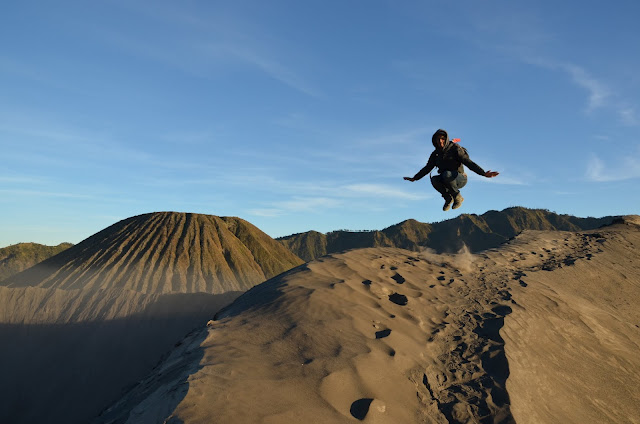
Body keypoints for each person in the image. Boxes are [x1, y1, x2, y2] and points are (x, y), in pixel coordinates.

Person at [404, 129, 499, 211]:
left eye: (442, 139)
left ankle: (458, 197)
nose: (440, 141)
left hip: (459, 178)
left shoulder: (455, 148)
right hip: (446, 180)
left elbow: (467, 162)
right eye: (438, 139)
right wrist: (415, 178)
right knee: (434, 179)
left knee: (447, 174)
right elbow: (427, 168)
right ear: (435, 141)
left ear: (446, 139)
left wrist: (483, 173)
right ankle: (448, 199)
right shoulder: (435, 154)